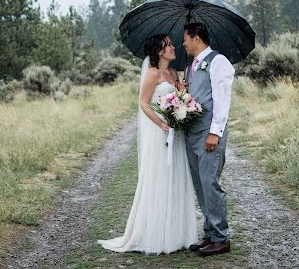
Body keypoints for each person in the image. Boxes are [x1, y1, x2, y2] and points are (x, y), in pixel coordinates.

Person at [97, 34, 198, 254]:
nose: (173, 47)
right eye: (169, 45)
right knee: (160, 178)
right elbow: (143, 103)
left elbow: (179, 100)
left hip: (176, 134)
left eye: (172, 44)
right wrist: (162, 124)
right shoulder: (152, 73)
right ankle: (155, 235)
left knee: (177, 178)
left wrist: (182, 94)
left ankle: (177, 233)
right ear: (160, 51)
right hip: (160, 133)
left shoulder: (173, 73)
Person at [183, 22, 234, 257]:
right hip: (191, 134)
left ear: (196, 38)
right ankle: (210, 234)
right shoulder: (190, 66)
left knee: (211, 184)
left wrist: (215, 132)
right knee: (200, 185)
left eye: (185, 38)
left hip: (208, 135)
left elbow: (222, 100)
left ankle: (221, 238)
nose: (183, 43)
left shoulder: (218, 62)